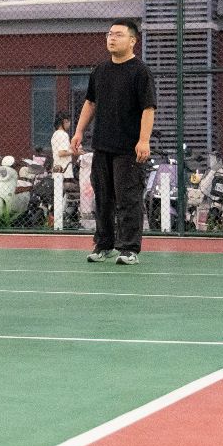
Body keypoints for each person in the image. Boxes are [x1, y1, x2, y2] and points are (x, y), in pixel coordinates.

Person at [71, 21, 155, 266]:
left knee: (128, 199)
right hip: (102, 147)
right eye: (110, 34)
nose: (112, 38)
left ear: (132, 41)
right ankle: (104, 245)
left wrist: (143, 140)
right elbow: (90, 103)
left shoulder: (141, 72)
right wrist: (78, 132)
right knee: (103, 199)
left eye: (118, 34)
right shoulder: (100, 70)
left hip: (129, 149)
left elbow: (148, 108)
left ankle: (129, 249)